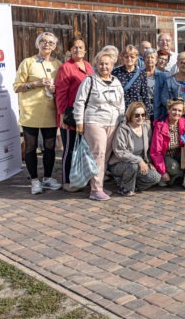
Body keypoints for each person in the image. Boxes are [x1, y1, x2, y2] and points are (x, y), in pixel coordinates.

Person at [14, 31, 63, 195]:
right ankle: (34, 180)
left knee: (49, 148)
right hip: (30, 112)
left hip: (50, 112)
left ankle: (47, 178)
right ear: (38, 44)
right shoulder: (28, 62)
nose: (47, 44)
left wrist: (55, 89)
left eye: (50, 42)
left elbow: (63, 87)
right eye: (43, 41)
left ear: (54, 46)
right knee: (31, 147)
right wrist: (36, 83)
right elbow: (16, 87)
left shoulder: (58, 64)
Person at [74, 49, 125, 202]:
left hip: (113, 122)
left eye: (107, 64)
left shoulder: (116, 81)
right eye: (101, 64)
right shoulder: (89, 81)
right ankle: (96, 190)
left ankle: (99, 185)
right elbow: (79, 102)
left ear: (112, 65)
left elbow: (121, 103)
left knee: (105, 156)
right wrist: (79, 122)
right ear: (96, 65)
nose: (104, 67)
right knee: (98, 154)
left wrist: (121, 120)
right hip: (95, 121)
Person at [54, 36, 93, 191]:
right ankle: (67, 181)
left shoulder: (88, 66)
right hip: (71, 115)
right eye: (75, 47)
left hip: (87, 114)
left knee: (84, 148)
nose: (78, 50)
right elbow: (60, 94)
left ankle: (83, 177)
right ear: (70, 50)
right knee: (70, 149)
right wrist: (62, 116)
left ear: (85, 50)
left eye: (81, 47)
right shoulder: (66, 68)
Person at [108, 101, 163, 196]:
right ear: (130, 115)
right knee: (133, 166)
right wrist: (139, 160)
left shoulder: (146, 127)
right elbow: (120, 152)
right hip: (120, 163)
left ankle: (130, 185)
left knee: (155, 177)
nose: (140, 118)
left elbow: (149, 148)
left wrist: (149, 162)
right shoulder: (123, 129)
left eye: (143, 115)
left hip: (140, 163)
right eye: (137, 115)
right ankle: (125, 189)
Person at [150, 98, 185, 186]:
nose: (176, 113)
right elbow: (156, 152)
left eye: (179, 111)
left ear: (183, 112)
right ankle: (168, 176)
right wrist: (163, 171)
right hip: (164, 156)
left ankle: (177, 177)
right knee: (174, 167)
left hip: (177, 153)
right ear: (169, 110)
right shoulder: (160, 125)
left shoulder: (184, 123)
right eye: (174, 109)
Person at [111, 45, 151, 112]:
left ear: (136, 58)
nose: (129, 59)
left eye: (132, 57)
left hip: (136, 111)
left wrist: (147, 113)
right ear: (122, 57)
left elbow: (145, 95)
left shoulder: (141, 73)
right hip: (120, 110)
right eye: (126, 57)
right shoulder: (115, 72)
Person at [155, 51, 185, 121]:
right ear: (177, 63)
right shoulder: (169, 80)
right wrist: (174, 106)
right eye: (182, 63)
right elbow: (164, 98)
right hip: (172, 115)